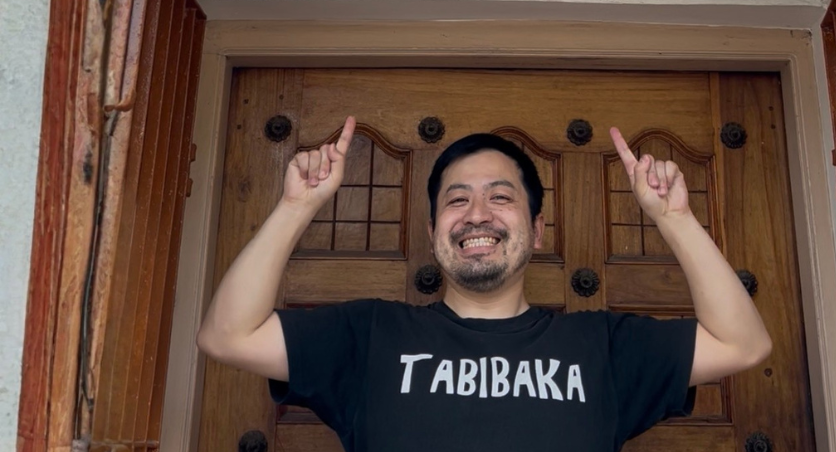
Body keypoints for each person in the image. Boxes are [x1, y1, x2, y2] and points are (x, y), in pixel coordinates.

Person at [197, 116, 771, 451]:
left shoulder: (603, 347)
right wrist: (296, 207)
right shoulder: (369, 335)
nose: (477, 215)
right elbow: (228, 335)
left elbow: (742, 345)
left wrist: (675, 219)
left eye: (500, 197)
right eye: (456, 200)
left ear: (538, 231)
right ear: (432, 234)